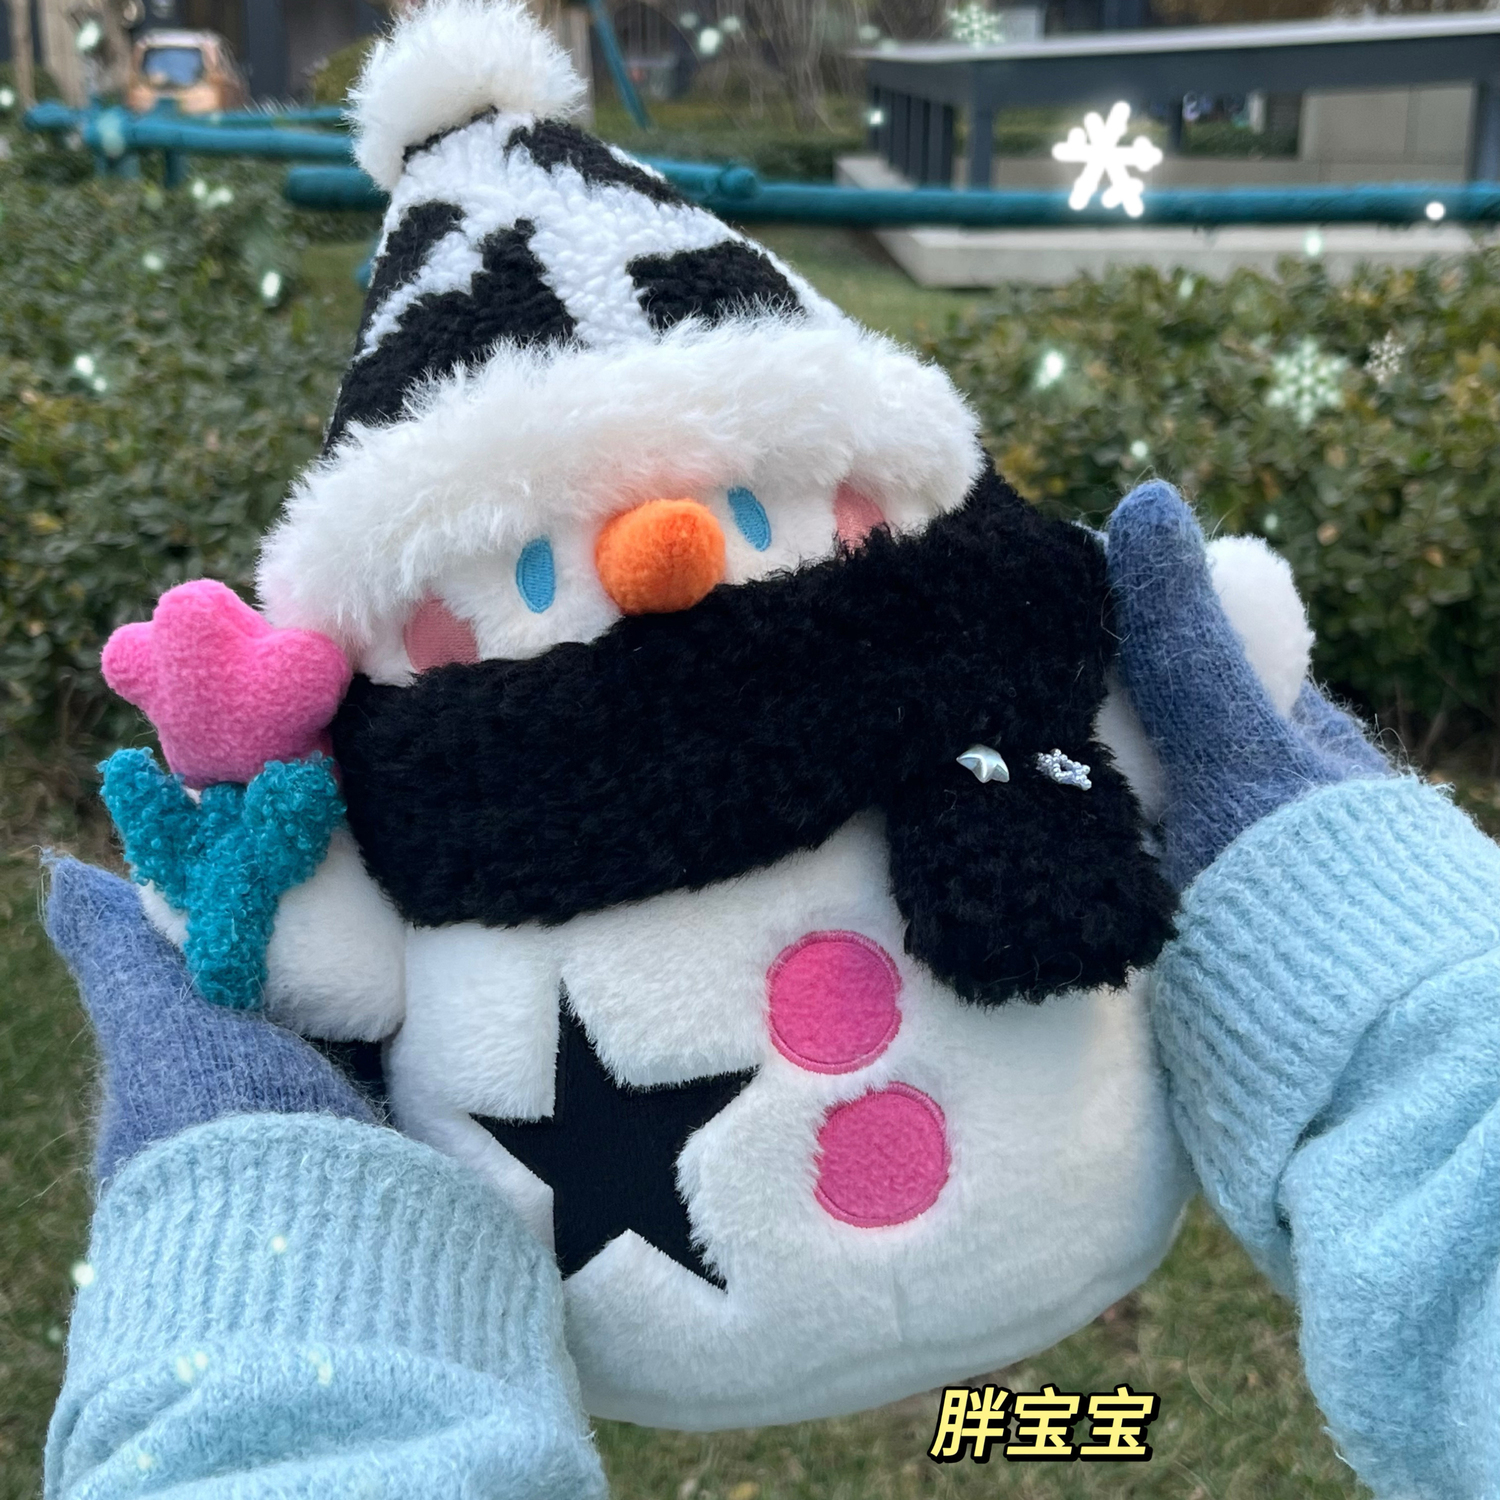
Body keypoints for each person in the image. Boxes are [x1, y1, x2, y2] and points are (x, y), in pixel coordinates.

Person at [41, 481, 1500, 1498]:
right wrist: (1423, 1040)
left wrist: (281, 1356)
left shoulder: (972, 655)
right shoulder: (432, 795)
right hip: (777, 1288)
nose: (665, 557)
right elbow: (323, 946)